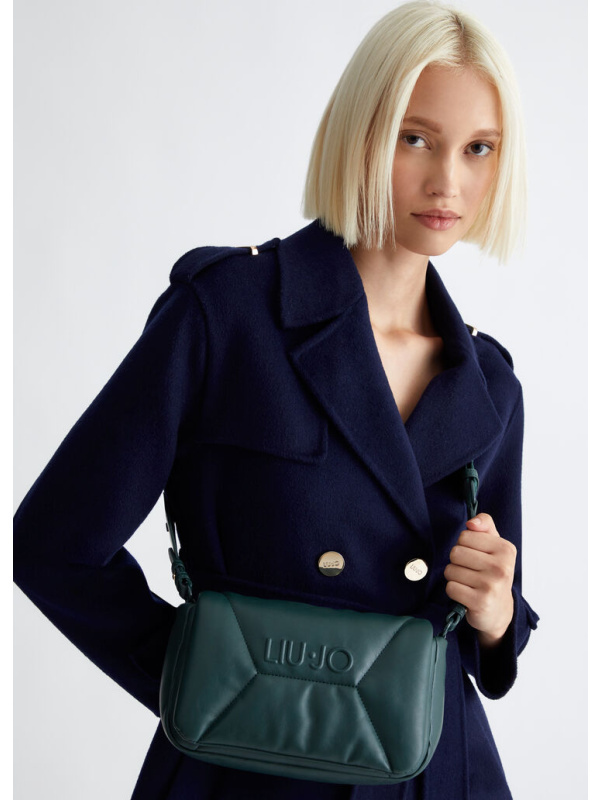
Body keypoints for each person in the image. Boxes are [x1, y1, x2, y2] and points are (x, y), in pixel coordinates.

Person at [13, 1, 539, 798]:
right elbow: (54, 542)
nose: (448, 182)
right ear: (362, 131)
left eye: (479, 149)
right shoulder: (226, 314)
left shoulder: (489, 384)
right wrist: (212, 681)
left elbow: (479, 639)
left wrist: (499, 618)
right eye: (415, 138)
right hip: (249, 770)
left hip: (436, 772)